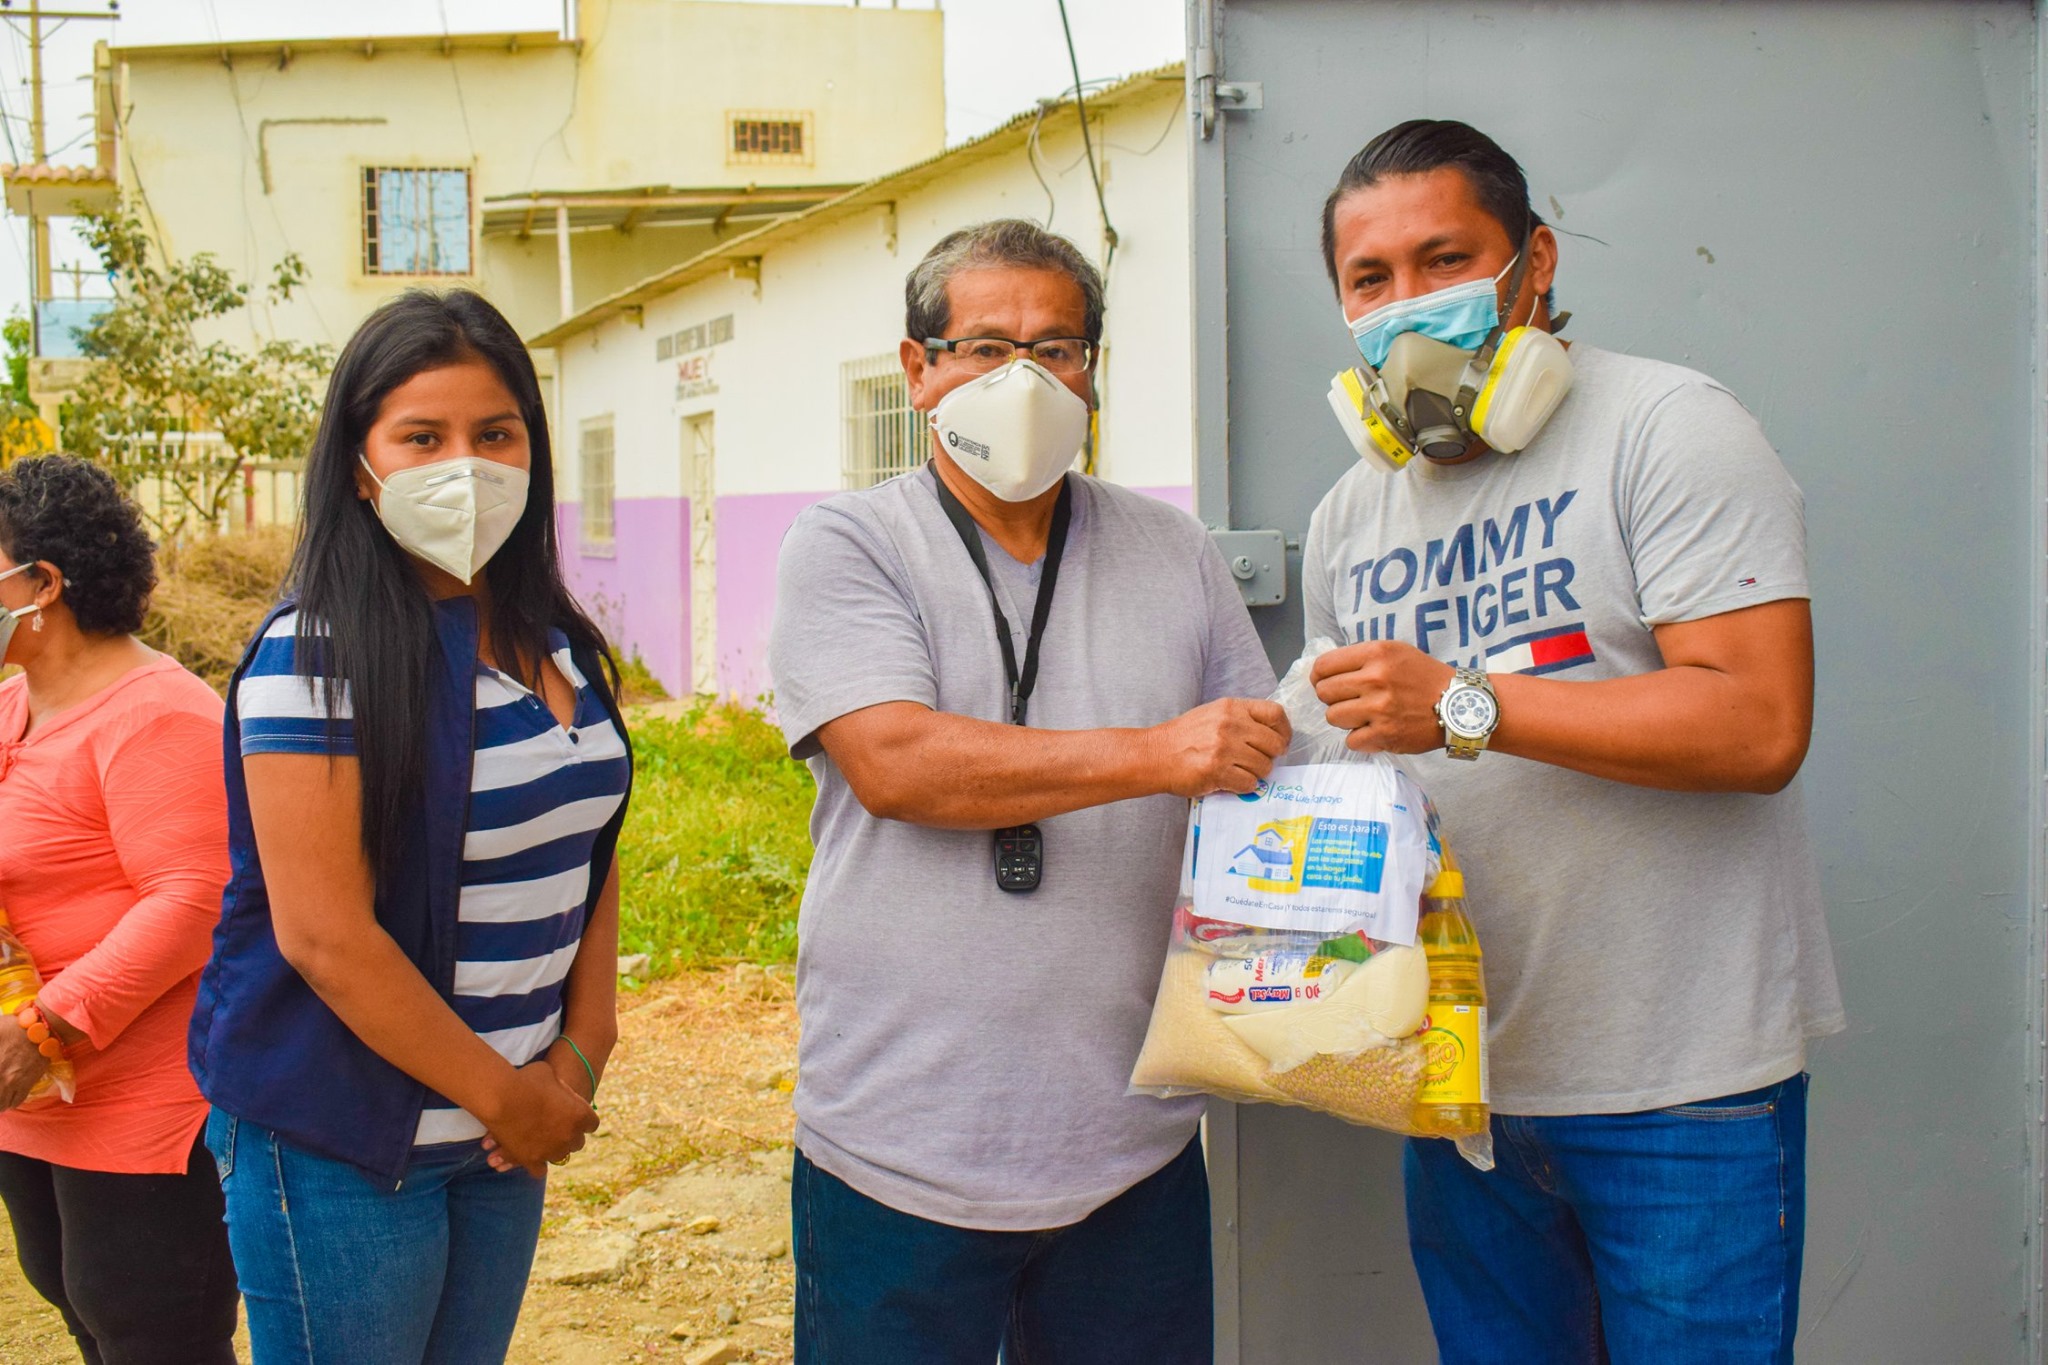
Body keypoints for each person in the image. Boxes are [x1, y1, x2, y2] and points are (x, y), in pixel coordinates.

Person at [1302, 120, 1844, 1362]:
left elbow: (1757, 722)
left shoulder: (1667, 426)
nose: (1405, 302)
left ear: (1532, 261)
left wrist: (1462, 703)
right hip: (1461, 1092)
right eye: (1369, 279)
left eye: (1444, 260)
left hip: (1678, 1087)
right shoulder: (1348, 514)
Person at [767, 218, 1288, 1364]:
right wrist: (1157, 754)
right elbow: (894, 764)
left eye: (1056, 349)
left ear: (1092, 372)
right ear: (918, 370)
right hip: (902, 1144)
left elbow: (1256, 772)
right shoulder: (850, 544)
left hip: (1130, 1145)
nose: (1025, 378)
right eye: (986, 348)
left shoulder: (1172, 550)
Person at [188, 289, 633, 1363]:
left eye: (497, 434)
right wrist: (505, 1095)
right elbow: (324, 936)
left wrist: (583, 1047)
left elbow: (585, 845)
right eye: (422, 438)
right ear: (359, 463)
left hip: (505, 1125)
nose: (466, 466)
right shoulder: (315, 652)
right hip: (345, 1139)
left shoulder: (554, 642)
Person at [0, 455, 238, 1364]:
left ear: (43, 584)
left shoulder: (158, 714)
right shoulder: (14, 704)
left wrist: (45, 1027)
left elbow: (192, 899)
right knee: (75, 1299)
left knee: (151, 1326)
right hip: (31, 1089)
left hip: (137, 1095)